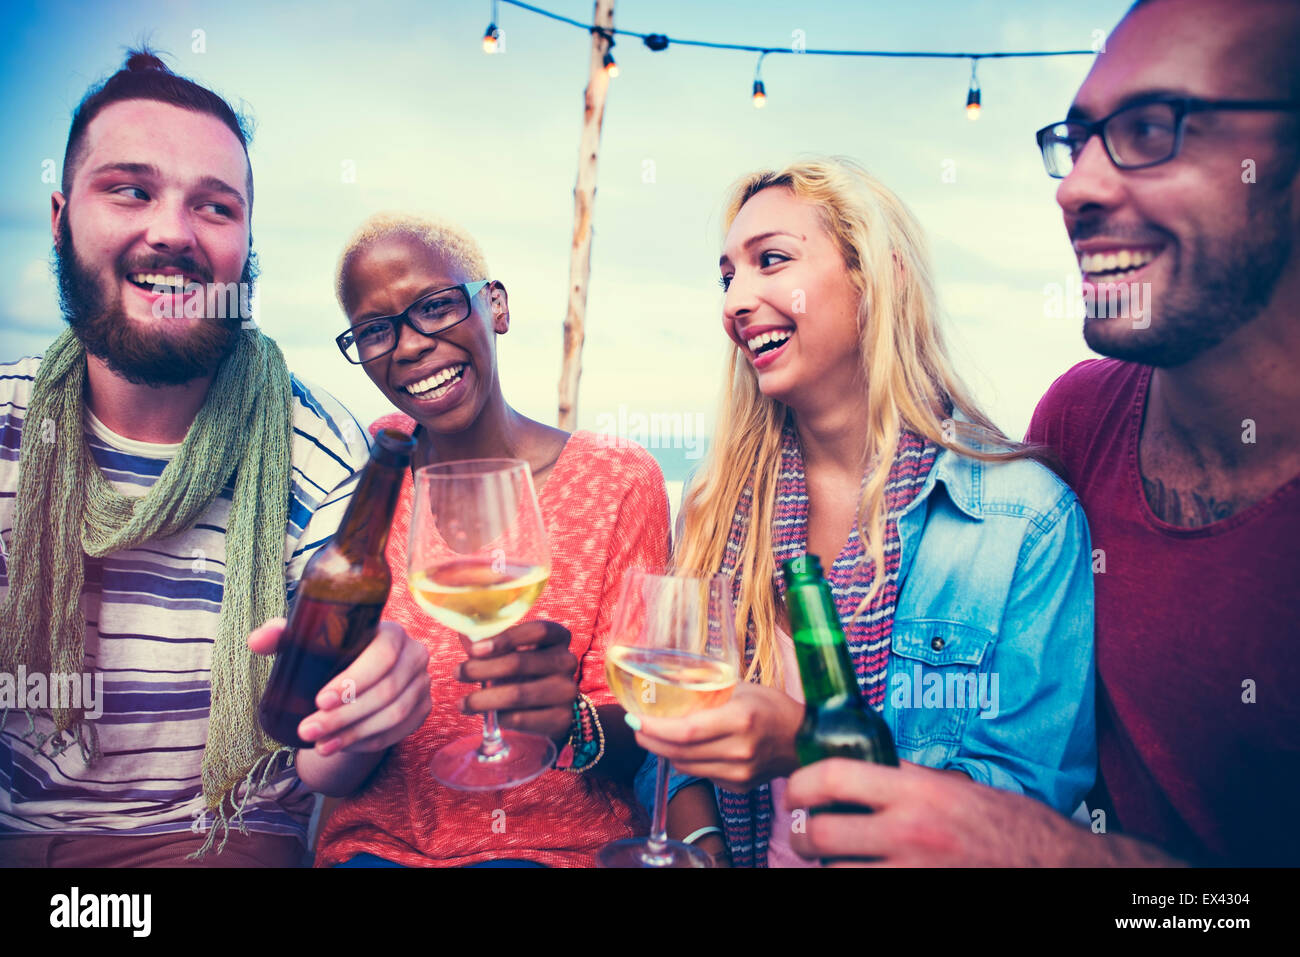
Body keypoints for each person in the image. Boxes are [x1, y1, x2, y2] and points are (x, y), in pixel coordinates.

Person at [785, 0, 1300, 867]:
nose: (1076, 187)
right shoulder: (1081, 417)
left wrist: (1051, 855)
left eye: (1152, 127)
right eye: (1080, 137)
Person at [0, 50, 432, 867]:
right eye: (130, 189)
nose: (172, 231)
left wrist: (368, 708)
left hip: (224, 845)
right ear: (58, 217)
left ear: (246, 245)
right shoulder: (9, 428)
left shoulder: (323, 453)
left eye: (215, 207)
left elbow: (323, 757)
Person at [628, 157, 1098, 867]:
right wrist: (704, 849)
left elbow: (1022, 810)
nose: (735, 301)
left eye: (771, 260)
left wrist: (809, 741)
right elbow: (671, 749)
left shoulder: (1022, 519)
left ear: (878, 276)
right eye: (727, 276)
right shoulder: (713, 505)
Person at [295, 213, 670, 867]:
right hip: (378, 849)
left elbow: (642, 722)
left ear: (493, 305)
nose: (409, 345)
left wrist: (569, 720)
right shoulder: (374, 474)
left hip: (557, 849)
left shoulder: (618, 479)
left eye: (435, 306)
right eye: (375, 329)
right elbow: (325, 739)